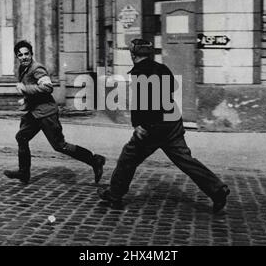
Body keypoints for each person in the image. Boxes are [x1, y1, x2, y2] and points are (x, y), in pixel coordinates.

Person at [97, 38, 230, 213]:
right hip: (172, 122)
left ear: (133, 54)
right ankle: (217, 190)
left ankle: (114, 196)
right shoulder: (162, 68)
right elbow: (172, 88)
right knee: (185, 160)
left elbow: (140, 103)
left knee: (128, 157)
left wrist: (139, 125)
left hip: (153, 127)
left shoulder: (139, 73)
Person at [3, 40, 105, 184]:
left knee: (59, 145)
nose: (24, 57)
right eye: (20, 55)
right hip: (35, 113)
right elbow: (35, 90)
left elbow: (47, 87)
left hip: (47, 114)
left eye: (26, 54)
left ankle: (95, 160)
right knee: (21, 137)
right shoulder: (23, 68)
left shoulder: (37, 68)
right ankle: (24, 173)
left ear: (31, 54)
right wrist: (26, 99)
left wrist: (25, 89)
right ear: (17, 57)